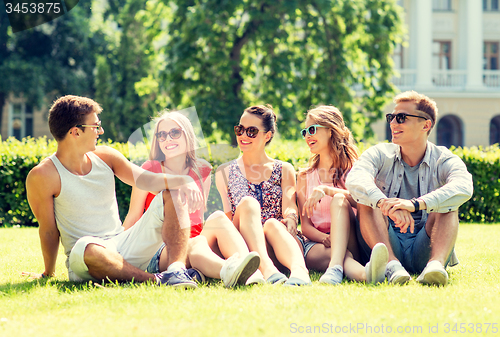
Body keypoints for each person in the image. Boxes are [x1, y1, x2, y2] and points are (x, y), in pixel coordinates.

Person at [26, 95, 214, 288]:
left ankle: (176, 271)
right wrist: (48, 273)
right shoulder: (43, 175)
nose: (101, 131)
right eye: (95, 126)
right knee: (87, 248)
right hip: (87, 256)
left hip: (121, 243)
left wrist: (183, 181)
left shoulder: (106, 156)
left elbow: (146, 179)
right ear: (75, 132)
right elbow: (48, 230)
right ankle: (157, 279)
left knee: (172, 193)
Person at [346, 90, 473, 286]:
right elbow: (355, 179)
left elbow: (463, 186)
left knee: (449, 203)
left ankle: (435, 267)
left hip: (426, 246)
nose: (393, 123)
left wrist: (415, 205)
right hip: (384, 244)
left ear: (426, 125)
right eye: (392, 117)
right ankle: (392, 266)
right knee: (367, 201)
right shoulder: (379, 153)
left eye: (401, 117)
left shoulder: (444, 158)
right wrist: (385, 203)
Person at [122, 111, 260, 287]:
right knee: (195, 243)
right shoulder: (149, 169)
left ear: (187, 135)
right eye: (161, 135)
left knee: (217, 217)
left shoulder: (202, 169)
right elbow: (133, 216)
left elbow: (199, 218)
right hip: (160, 248)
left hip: (195, 240)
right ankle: (229, 271)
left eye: (174, 133)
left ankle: (247, 269)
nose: (168, 139)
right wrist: (118, 252)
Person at [216, 105, 311, 286]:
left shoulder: (283, 169)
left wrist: (291, 218)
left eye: (252, 131)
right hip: (246, 247)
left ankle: (300, 272)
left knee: (272, 224)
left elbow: (290, 204)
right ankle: (266, 269)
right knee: (247, 204)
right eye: (240, 129)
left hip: (278, 243)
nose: (243, 136)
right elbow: (228, 220)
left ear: (267, 136)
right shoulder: (224, 172)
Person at [297, 106, 388, 285]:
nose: (308, 136)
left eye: (312, 129)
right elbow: (306, 226)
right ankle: (365, 274)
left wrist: (329, 190)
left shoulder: (357, 169)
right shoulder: (304, 177)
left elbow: (367, 202)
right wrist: (325, 239)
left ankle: (336, 268)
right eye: (305, 131)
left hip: (354, 238)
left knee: (339, 199)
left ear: (330, 130)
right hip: (320, 244)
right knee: (340, 255)